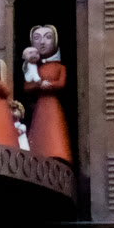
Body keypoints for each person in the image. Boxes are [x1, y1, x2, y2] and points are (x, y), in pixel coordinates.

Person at [24, 24, 72, 163]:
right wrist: (39, 84)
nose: (42, 42)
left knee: (54, 131)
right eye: (37, 38)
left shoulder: (60, 67)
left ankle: (57, 154)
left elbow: (61, 83)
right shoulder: (33, 68)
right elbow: (27, 86)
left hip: (53, 105)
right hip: (40, 106)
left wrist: (48, 85)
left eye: (48, 37)